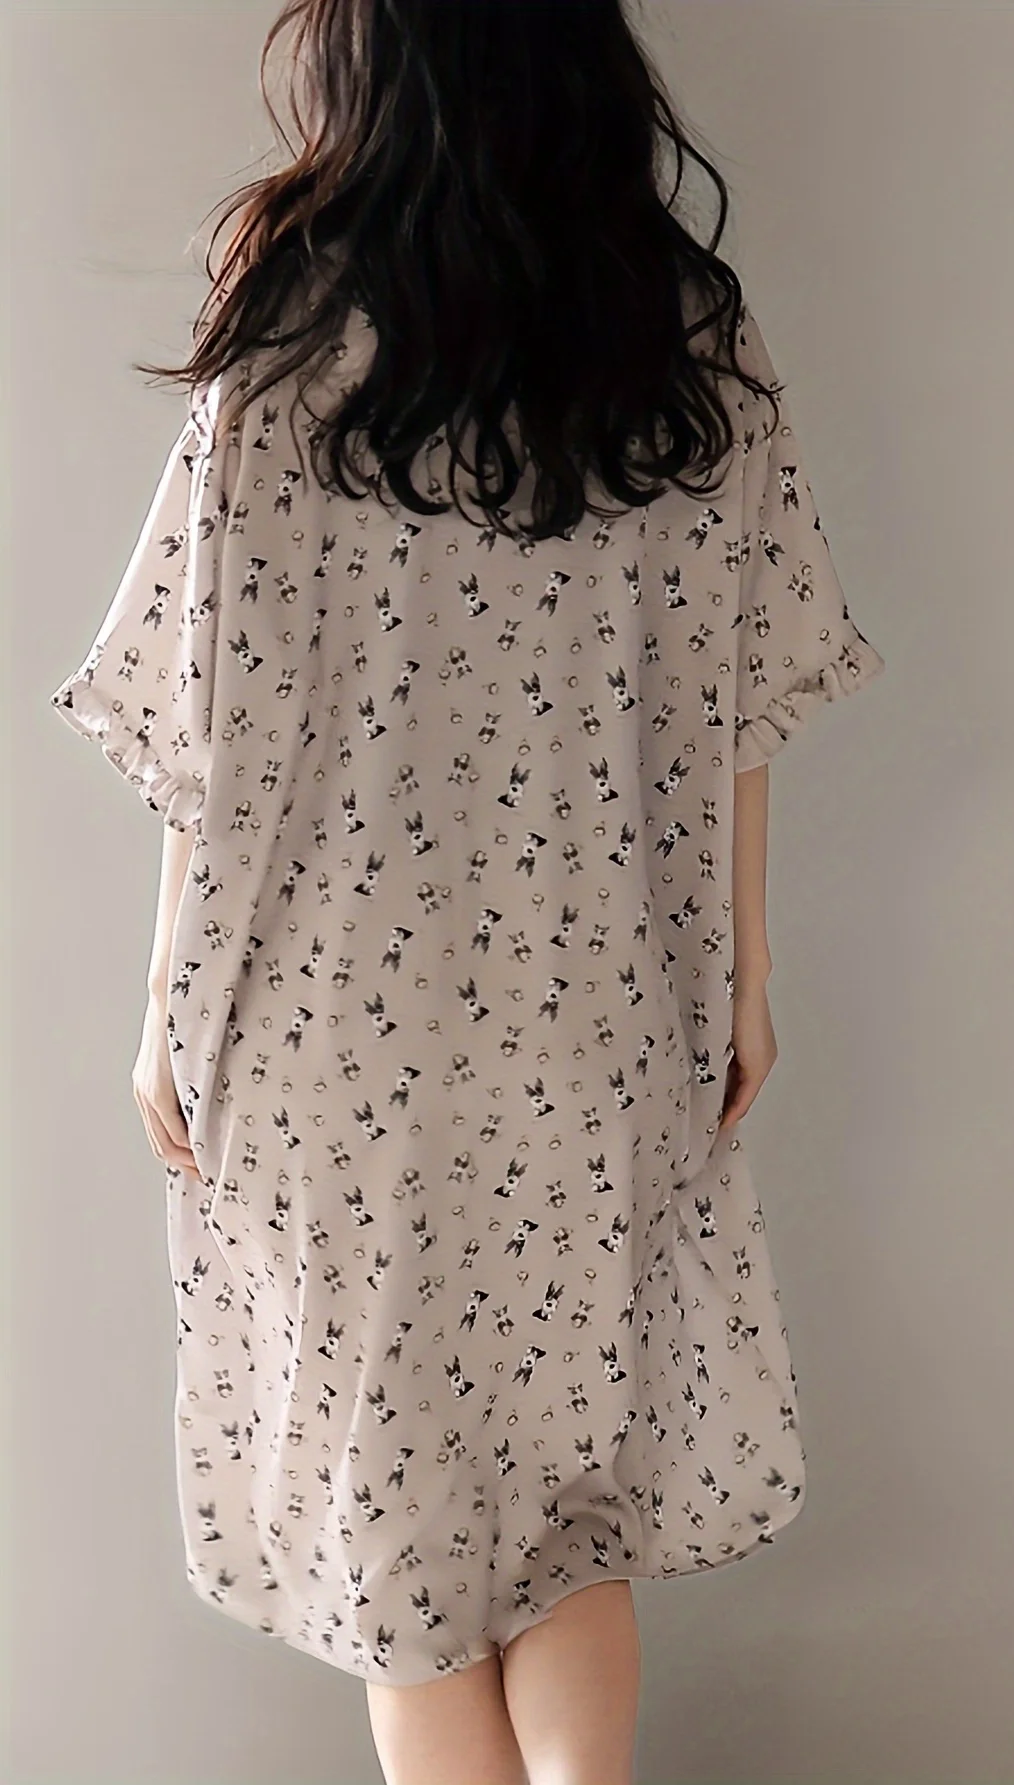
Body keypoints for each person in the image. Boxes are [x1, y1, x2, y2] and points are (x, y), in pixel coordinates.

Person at [47, 2, 886, 1780]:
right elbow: (743, 688)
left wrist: (163, 1008)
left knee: (400, 1529)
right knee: (569, 1506)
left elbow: (202, 711)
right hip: (602, 1012)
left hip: (330, 1036)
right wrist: (746, 979)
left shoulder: (289, 315)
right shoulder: (683, 325)